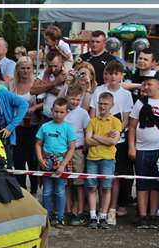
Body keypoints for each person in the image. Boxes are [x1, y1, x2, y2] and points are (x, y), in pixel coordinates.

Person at [128, 69, 159, 229]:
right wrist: (131, 146)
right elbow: (132, 126)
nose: (146, 87)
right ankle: (143, 215)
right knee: (142, 183)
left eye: (150, 84)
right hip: (142, 149)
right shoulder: (140, 103)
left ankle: (153, 215)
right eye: (145, 84)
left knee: (157, 184)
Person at [90, 60, 133, 223]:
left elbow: (127, 119)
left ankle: (111, 210)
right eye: (110, 73)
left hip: (117, 142)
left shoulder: (126, 95)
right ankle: (98, 210)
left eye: (116, 73)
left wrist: (116, 132)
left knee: (113, 176)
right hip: (96, 140)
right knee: (95, 176)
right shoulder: (99, 91)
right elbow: (93, 114)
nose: (113, 76)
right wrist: (95, 134)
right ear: (105, 75)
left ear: (121, 75)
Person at [36, 97, 76, 227]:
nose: (58, 115)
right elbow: (38, 144)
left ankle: (60, 217)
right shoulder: (45, 126)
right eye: (56, 111)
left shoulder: (68, 128)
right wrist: (41, 160)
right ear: (52, 110)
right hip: (47, 162)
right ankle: (47, 216)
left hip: (61, 163)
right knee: (47, 190)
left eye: (62, 112)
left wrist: (63, 164)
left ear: (66, 113)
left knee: (60, 191)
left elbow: (71, 148)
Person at [84, 91, 122, 229]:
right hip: (92, 158)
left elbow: (113, 142)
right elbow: (88, 140)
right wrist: (105, 138)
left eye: (106, 104)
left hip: (107, 158)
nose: (102, 106)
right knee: (92, 187)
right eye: (100, 103)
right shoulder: (92, 121)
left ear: (111, 105)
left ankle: (104, 215)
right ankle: (93, 215)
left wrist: (96, 136)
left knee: (106, 188)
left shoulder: (116, 122)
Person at [8, 56, 43, 194]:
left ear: (32, 69)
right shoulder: (11, 85)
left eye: (28, 68)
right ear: (17, 69)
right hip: (17, 126)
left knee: (32, 159)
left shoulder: (36, 84)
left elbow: (47, 103)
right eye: (23, 68)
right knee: (18, 160)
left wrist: (34, 108)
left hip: (33, 125)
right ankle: (21, 189)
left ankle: (34, 190)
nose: (25, 71)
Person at [62, 86, 90, 225]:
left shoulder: (83, 113)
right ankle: (68, 211)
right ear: (67, 97)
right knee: (66, 183)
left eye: (78, 99)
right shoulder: (63, 112)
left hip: (78, 150)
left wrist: (84, 150)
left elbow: (86, 132)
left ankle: (80, 212)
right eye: (73, 98)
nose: (75, 102)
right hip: (64, 150)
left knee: (79, 182)